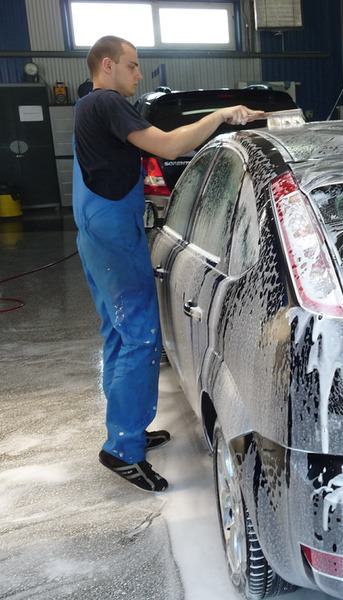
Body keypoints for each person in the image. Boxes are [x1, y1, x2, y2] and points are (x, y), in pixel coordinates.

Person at [73, 35, 266, 492]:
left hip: (99, 231)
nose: (139, 74)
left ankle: (126, 432)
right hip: (113, 236)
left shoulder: (88, 107)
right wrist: (220, 116)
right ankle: (123, 451)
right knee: (140, 336)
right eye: (134, 66)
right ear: (107, 65)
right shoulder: (107, 103)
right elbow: (171, 147)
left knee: (120, 334)